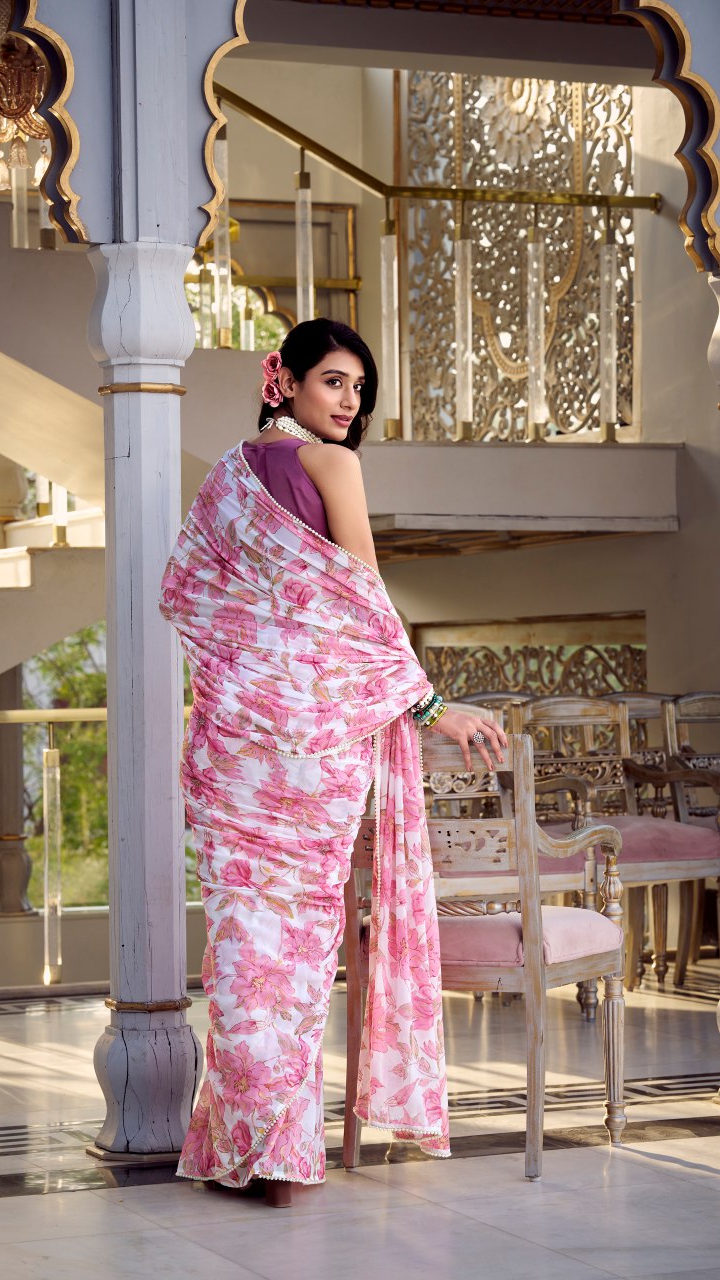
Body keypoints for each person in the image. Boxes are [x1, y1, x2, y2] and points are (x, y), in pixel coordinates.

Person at [159, 318, 507, 1208]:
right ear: (283, 380)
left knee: (242, 946)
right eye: (333, 382)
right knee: (292, 954)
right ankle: (274, 1159)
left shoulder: (226, 478)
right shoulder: (332, 466)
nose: (349, 402)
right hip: (309, 750)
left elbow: (188, 598)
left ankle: (239, 1150)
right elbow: (365, 610)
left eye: (358, 387)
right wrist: (431, 707)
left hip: (232, 742)